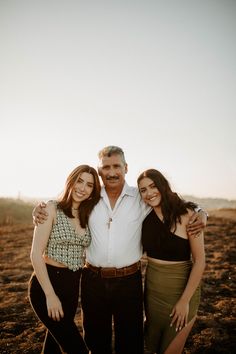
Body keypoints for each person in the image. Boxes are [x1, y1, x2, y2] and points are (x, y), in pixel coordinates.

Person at [33, 146, 207, 354]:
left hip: (129, 281)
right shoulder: (89, 199)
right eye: (106, 167)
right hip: (92, 280)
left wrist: (201, 211)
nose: (112, 172)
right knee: (96, 342)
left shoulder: (140, 198)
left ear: (126, 168)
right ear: (99, 171)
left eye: (117, 166)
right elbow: (64, 205)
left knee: (131, 343)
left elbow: (173, 199)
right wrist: (39, 210)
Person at [28, 164, 101, 354]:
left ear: (93, 190)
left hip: (72, 285)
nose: (82, 188)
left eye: (89, 185)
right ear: (71, 181)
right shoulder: (51, 208)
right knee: (76, 348)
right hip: (47, 283)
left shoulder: (89, 214)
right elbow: (36, 254)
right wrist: (50, 296)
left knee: (54, 343)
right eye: (79, 181)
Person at [137, 169, 205, 354]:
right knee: (154, 347)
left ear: (163, 185)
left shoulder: (188, 215)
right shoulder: (143, 217)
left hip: (181, 293)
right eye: (143, 190)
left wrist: (184, 301)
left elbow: (200, 262)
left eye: (153, 186)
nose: (149, 193)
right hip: (152, 294)